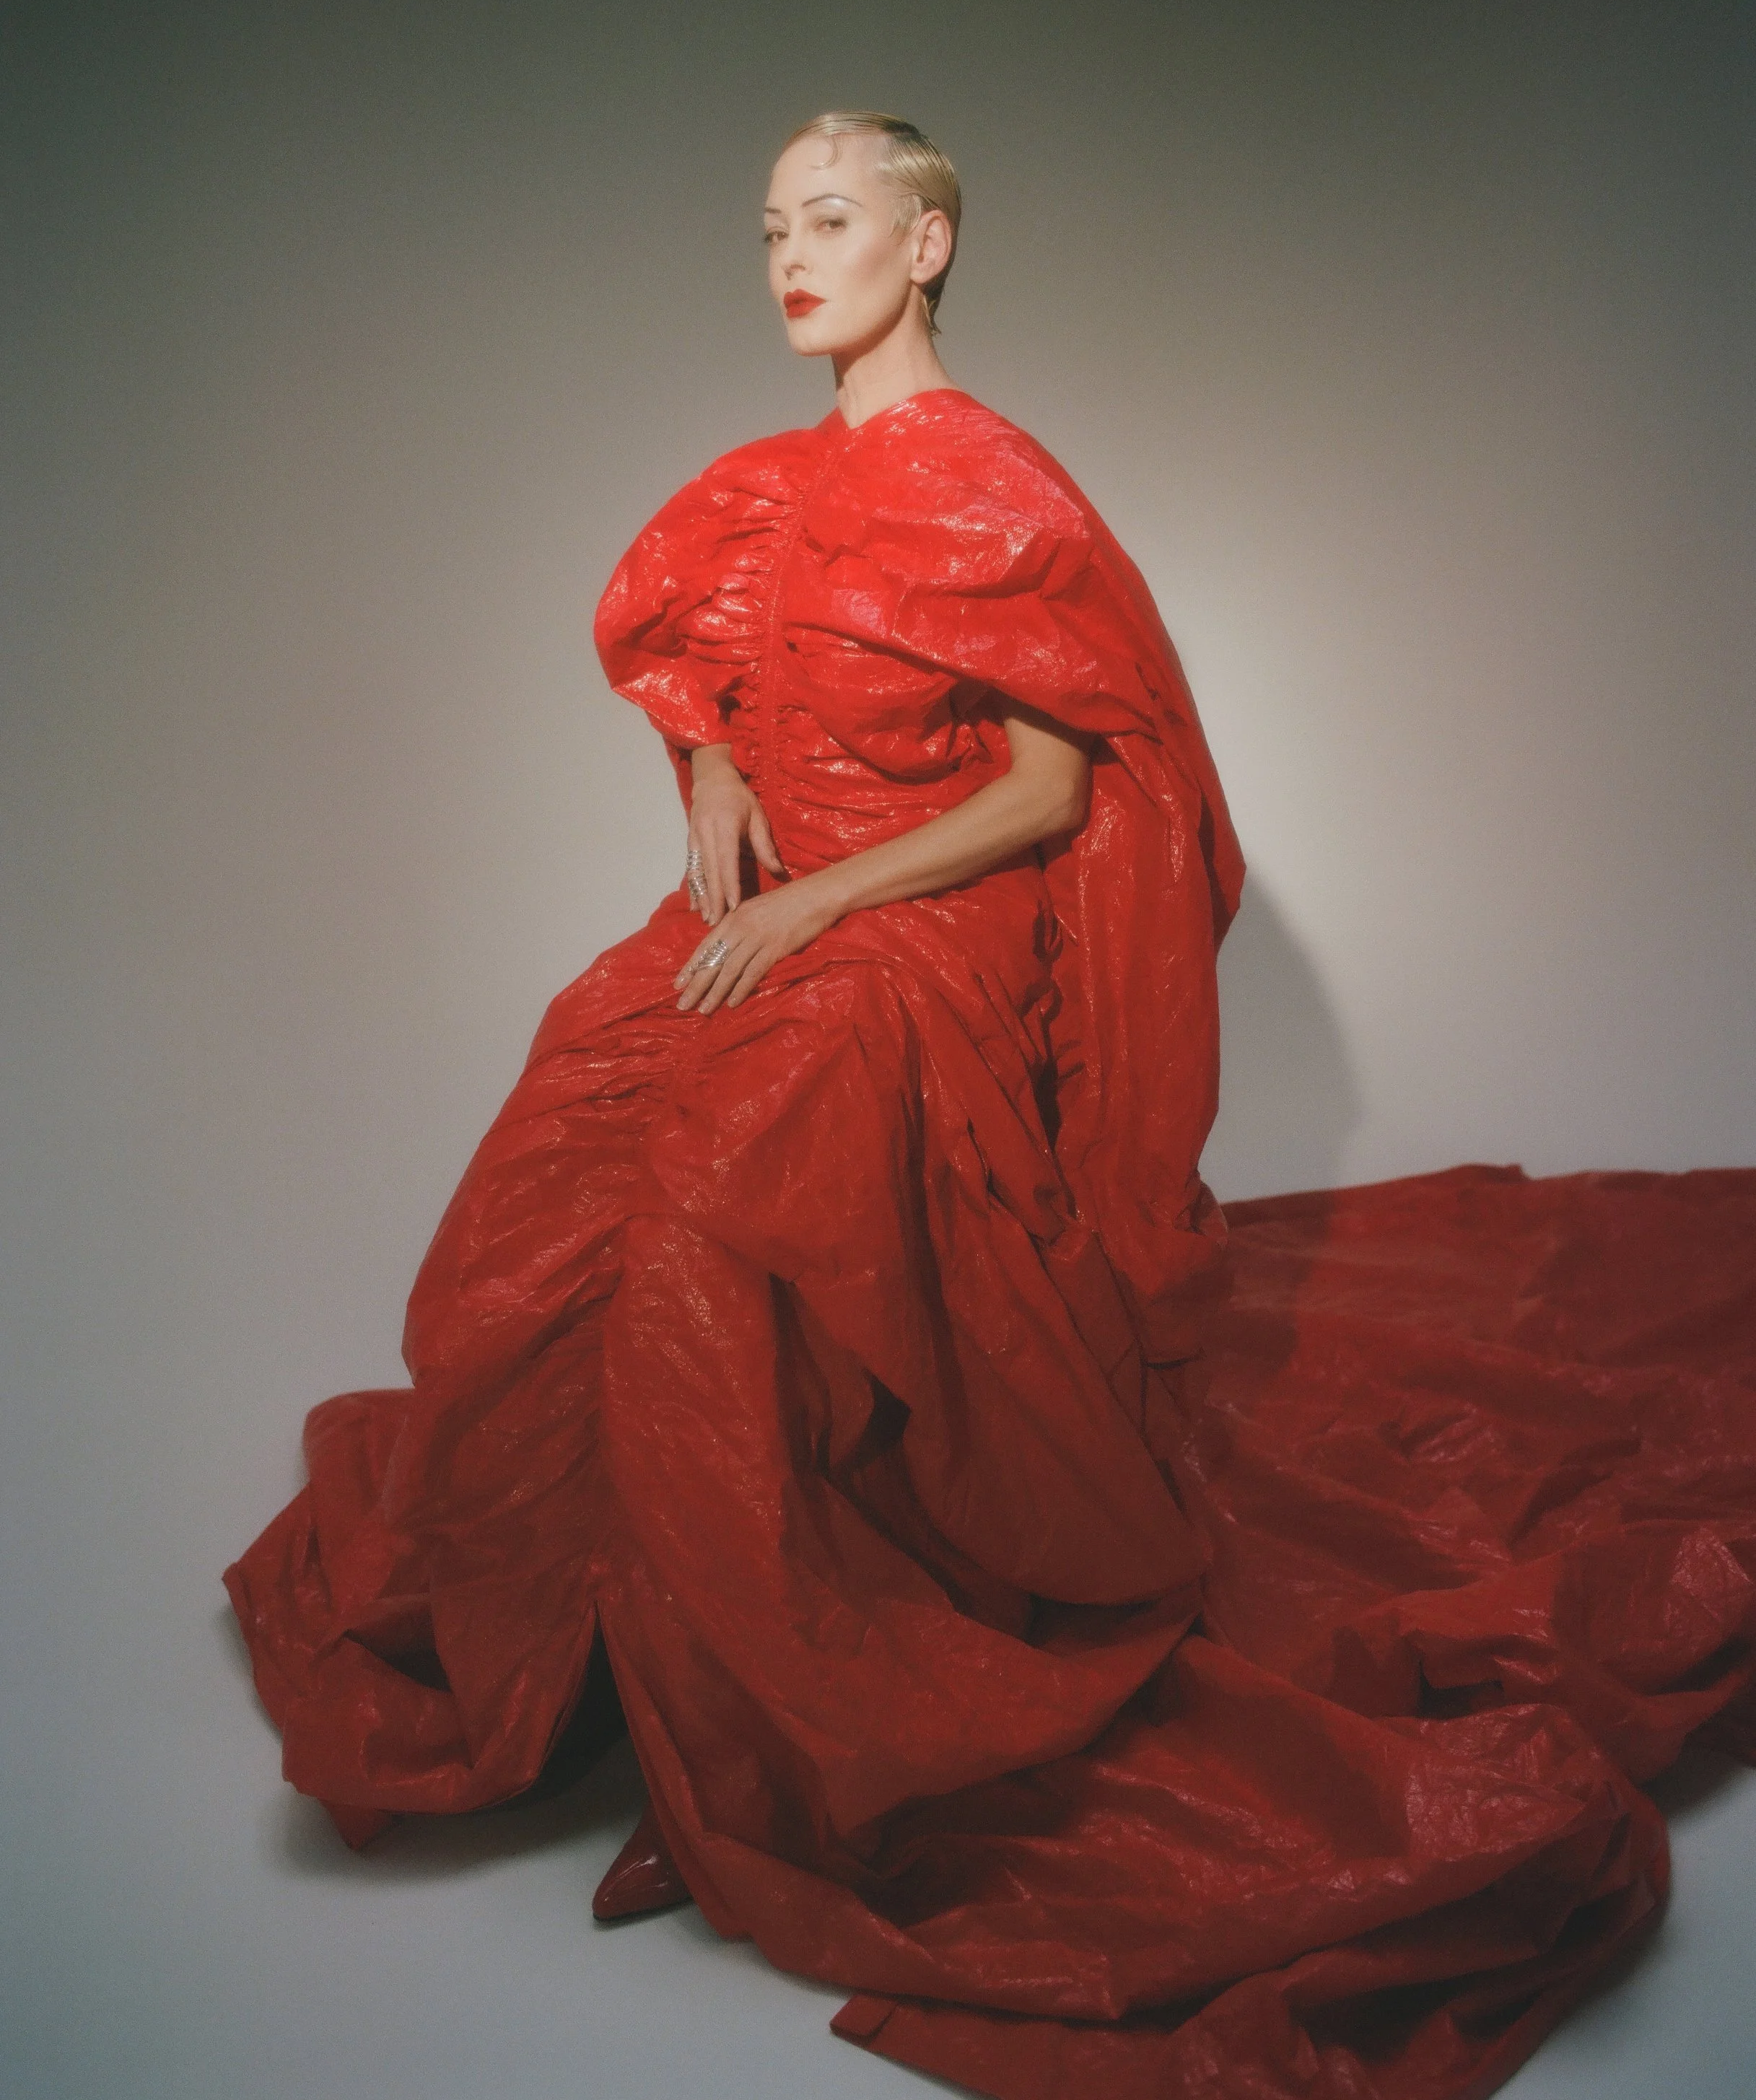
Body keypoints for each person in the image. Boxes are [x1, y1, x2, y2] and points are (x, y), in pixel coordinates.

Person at [226, 113, 1756, 2100]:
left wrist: (820, 909)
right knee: (579, 1110)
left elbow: (1049, 792)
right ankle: (648, 1646)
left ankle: (803, 1714)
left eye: (833, 218)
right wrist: (716, 783)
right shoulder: (763, 492)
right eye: (770, 227)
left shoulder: (999, 491)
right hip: (786, 904)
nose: (792, 256)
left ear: (928, 243)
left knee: (723, 1197)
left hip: (931, 926)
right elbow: (715, 681)